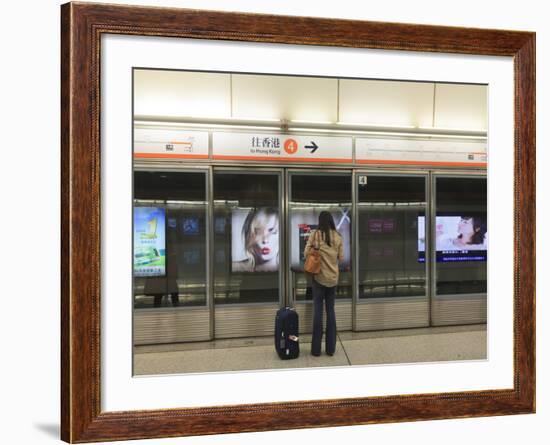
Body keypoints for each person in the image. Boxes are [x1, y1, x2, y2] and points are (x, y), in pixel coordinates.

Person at [304, 211, 344, 357]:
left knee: (318, 312)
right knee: (331, 312)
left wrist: (316, 251)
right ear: (332, 221)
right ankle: (330, 349)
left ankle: (316, 350)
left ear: (320, 221)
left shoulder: (315, 235)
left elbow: (306, 253)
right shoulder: (338, 236)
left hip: (319, 279)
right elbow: (341, 257)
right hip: (332, 279)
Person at [232, 207, 279, 272]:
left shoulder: (289, 272)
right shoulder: (235, 267)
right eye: (258, 232)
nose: (265, 240)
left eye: (273, 232)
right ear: (249, 234)